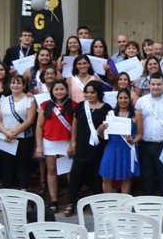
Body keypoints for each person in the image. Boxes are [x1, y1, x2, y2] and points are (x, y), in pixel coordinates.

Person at [64, 81, 111, 217]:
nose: (89, 95)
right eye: (87, 92)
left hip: (98, 147)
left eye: (92, 92)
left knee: (97, 176)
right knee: (75, 175)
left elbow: (110, 129)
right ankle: (71, 202)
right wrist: (73, 142)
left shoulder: (106, 108)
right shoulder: (80, 106)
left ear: (98, 93)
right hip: (81, 145)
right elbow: (74, 124)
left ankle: (96, 203)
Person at [135, 73, 163, 198]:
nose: (156, 87)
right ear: (149, 85)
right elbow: (136, 122)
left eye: (159, 84)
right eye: (153, 84)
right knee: (147, 176)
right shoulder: (141, 101)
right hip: (145, 145)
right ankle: (148, 203)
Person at [0, 76, 37, 206]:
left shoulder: (29, 100)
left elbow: (30, 120)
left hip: (23, 138)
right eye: (13, 83)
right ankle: (5, 195)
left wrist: (13, 133)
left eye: (19, 83)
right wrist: (6, 133)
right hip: (5, 138)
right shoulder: (4, 100)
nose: (15, 85)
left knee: (23, 165)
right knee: (7, 166)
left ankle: (23, 194)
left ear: (24, 86)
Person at [35, 79, 75, 213]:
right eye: (56, 89)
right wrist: (39, 146)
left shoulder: (73, 105)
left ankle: (71, 200)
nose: (59, 92)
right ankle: (54, 199)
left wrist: (73, 143)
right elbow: (39, 126)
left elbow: (76, 126)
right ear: (52, 91)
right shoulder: (45, 105)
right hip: (49, 141)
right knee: (51, 170)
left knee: (69, 172)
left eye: (62, 89)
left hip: (67, 141)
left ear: (67, 91)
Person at [99, 88, 143, 195]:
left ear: (129, 99)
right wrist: (100, 131)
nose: (123, 100)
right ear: (117, 99)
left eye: (125, 98)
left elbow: (140, 134)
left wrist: (133, 141)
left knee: (126, 177)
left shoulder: (136, 114)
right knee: (106, 176)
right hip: (112, 148)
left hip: (127, 148)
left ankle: (124, 203)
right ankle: (109, 202)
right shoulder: (110, 114)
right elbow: (105, 136)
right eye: (121, 98)